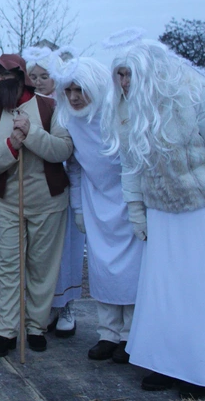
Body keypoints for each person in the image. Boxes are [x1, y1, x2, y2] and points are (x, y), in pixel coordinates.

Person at [102, 33, 205, 399]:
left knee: (204, 293)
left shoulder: (195, 98)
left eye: (128, 74)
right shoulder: (125, 112)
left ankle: (202, 368)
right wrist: (138, 214)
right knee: (165, 294)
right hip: (163, 213)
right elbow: (130, 169)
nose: (123, 83)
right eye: (119, 76)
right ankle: (169, 364)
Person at [0, 54, 73, 357]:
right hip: (7, 203)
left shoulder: (49, 107)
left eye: (10, 79)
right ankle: (6, 330)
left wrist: (31, 133)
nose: (4, 85)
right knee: (8, 267)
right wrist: (12, 146)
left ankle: (35, 326)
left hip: (49, 201)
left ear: (22, 80)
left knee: (42, 268)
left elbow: (63, 149)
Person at [50, 56, 143, 364]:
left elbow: (135, 160)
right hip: (94, 199)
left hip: (127, 198)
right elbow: (74, 167)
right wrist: (78, 207)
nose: (74, 97)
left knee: (132, 270)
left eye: (80, 89)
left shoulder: (117, 114)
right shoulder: (69, 120)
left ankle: (130, 335)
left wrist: (136, 203)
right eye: (69, 90)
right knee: (103, 269)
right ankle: (108, 333)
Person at [23, 46, 85, 338]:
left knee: (68, 250)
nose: (38, 81)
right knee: (42, 256)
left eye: (44, 75)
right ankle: (45, 307)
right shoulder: (26, 106)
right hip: (40, 187)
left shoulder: (67, 105)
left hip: (68, 184)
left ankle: (67, 304)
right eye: (32, 75)